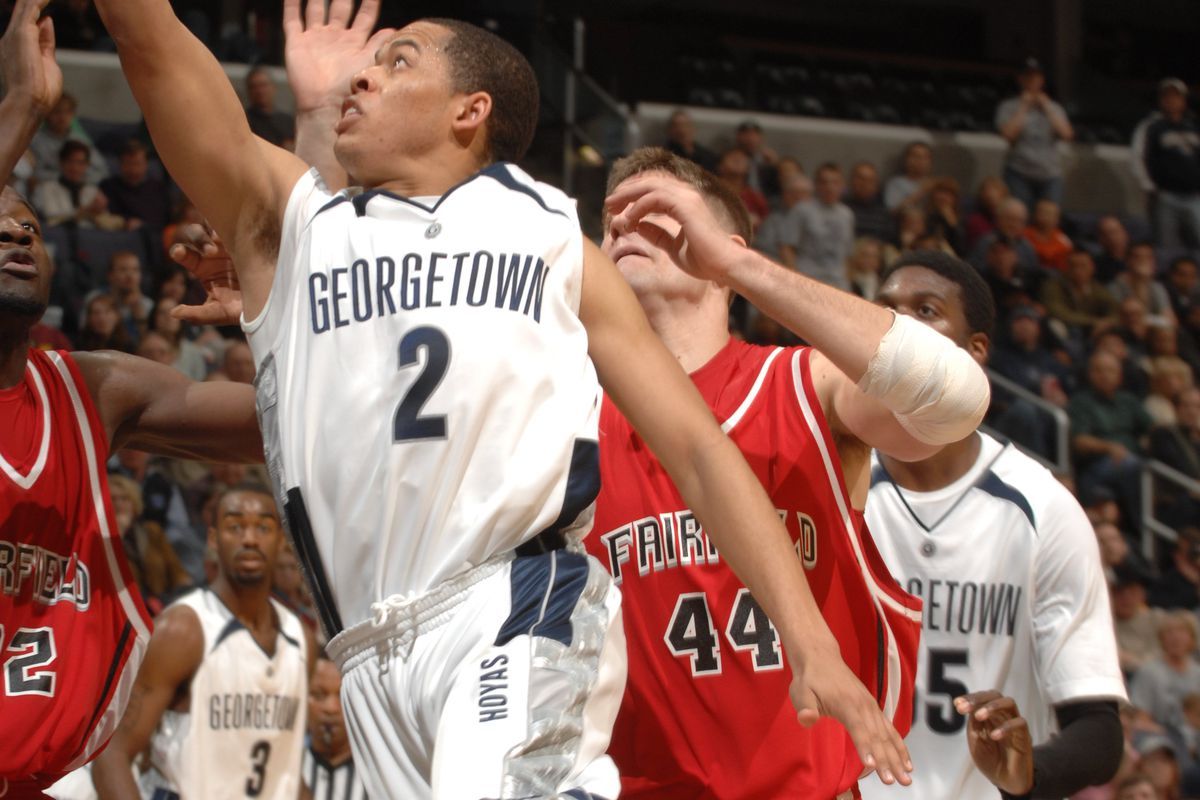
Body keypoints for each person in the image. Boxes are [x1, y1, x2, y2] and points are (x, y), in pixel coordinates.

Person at [94, 0, 920, 796]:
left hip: (508, 605)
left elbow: (702, 452)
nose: (363, 77)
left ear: (470, 110)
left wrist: (809, 638)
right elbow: (150, 42)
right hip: (367, 647)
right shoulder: (296, 222)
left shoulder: (551, 234)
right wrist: (316, 110)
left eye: (396, 59)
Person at [590, 149, 994, 797]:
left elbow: (954, 400)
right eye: (611, 223)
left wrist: (743, 268)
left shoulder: (802, 383)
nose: (625, 231)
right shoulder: (569, 417)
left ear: (721, 245)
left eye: (656, 213)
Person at [0, 1, 264, 792]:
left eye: (29, 227)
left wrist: (271, 309)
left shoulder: (93, 389)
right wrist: (20, 106)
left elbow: (280, 425)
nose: (16, 234)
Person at [860, 253, 1127, 800]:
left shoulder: (1042, 506)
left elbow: (1099, 731)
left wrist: (1029, 774)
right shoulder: (831, 488)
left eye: (926, 310)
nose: (899, 324)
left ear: (975, 351)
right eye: (885, 309)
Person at [92, 485, 316, 799]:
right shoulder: (183, 629)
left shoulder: (301, 639)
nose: (249, 539)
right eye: (235, 526)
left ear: (281, 540)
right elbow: (111, 754)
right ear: (213, 539)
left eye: (263, 527)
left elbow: (285, 768)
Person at [1131, 78, 1200, 250]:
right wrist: (1148, 186)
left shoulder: (1194, 126)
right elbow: (1137, 156)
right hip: (1165, 195)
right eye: (1167, 96)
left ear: (1184, 100)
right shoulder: (1152, 126)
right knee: (1166, 245)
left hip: (1195, 195)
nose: (1172, 101)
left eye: (1176, 97)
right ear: (1161, 100)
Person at [995, 57, 1073, 207]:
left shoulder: (1054, 107)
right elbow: (1008, 134)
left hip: (1050, 175)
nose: (1032, 80)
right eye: (1028, 76)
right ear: (1020, 79)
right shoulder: (1008, 106)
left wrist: (1047, 107)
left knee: (1048, 218)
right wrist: (1024, 106)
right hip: (1018, 172)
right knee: (1020, 216)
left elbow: (1067, 134)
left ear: (1042, 80)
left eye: (1036, 76)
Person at [780, 161, 855, 290]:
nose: (829, 187)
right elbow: (787, 248)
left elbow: (848, 256)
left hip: (838, 283)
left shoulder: (847, 215)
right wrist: (793, 281)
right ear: (816, 185)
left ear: (842, 185)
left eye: (835, 182)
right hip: (807, 278)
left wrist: (847, 282)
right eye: (824, 182)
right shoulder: (801, 210)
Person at [302, 656, 368, 800]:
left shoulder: (377, 776)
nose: (331, 708)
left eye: (342, 695)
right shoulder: (287, 769)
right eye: (318, 695)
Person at [244, 65, 296, 149]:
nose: (259, 91)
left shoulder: (288, 120)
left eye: (263, 85)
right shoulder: (244, 121)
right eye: (254, 87)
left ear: (273, 88)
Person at [662, 108, 717, 172]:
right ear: (670, 130)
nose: (682, 130)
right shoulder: (665, 155)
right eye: (677, 126)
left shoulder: (707, 156)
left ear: (693, 128)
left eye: (685, 125)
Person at [884, 140, 933, 210]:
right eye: (916, 156)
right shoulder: (896, 183)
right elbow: (892, 212)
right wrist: (922, 192)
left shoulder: (935, 184)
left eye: (925, 157)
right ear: (907, 159)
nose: (921, 161)